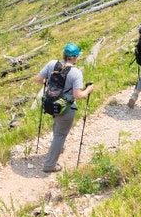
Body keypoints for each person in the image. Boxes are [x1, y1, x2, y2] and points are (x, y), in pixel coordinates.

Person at [34, 43, 95, 173]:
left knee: (58, 128)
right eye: (77, 56)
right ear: (73, 57)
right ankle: (49, 165)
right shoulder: (76, 73)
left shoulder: (52, 64)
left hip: (51, 103)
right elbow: (78, 95)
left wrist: (48, 82)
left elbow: (39, 80)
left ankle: (59, 148)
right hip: (65, 107)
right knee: (60, 135)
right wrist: (88, 90)